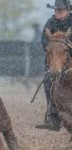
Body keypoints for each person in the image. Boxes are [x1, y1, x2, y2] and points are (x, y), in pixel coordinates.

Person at [37, 0, 72, 131]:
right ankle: (53, 118)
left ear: (68, 10)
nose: (57, 13)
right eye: (56, 10)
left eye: (60, 10)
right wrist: (55, 46)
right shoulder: (50, 23)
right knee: (48, 82)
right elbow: (44, 42)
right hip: (55, 60)